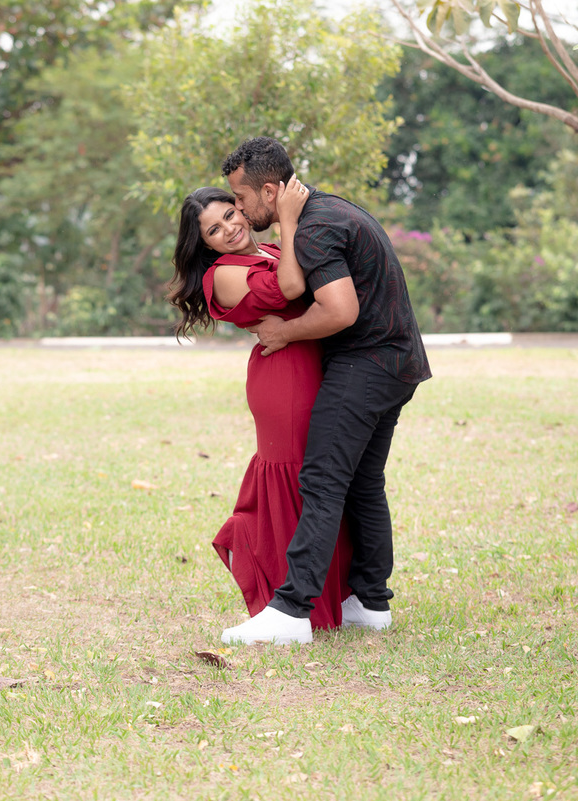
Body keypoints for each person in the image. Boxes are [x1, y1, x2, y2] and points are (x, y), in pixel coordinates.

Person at [219, 136, 432, 646]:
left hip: (366, 363)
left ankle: (291, 611)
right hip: (400, 361)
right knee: (362, 482)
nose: (241, 211)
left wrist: (285, 332)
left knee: (321, 479)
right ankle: (370, 602)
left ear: (270, 191)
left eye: (243, 199)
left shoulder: (313, 228)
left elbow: (340, 311)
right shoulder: (331, 209)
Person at [170, 180, 353, 640]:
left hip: (315, 366)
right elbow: (293, 285)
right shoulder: (223, 274)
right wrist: (289, 218)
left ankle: (328, 596)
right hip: (284, 377)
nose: (229, 230)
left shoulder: (272, 248)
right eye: (213, 230)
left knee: (321, 481)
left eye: (229, 215)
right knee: (293, 481)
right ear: (204, 244)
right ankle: (284, 599)